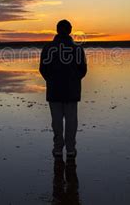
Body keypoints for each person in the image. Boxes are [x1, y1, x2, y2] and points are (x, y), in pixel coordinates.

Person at [39, 20, 87, 157]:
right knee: (71, 121)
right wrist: (74, 80)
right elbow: (82, 70)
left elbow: (43, 69)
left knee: (56, 121)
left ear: (57, 30)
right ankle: (70, 149)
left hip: (54, 90)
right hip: (71, 91)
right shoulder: (77, 48)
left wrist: (51, 80)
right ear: (70, 30)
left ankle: (58, 148)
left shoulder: (48, 47)